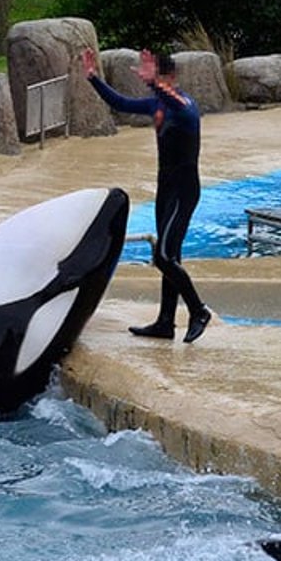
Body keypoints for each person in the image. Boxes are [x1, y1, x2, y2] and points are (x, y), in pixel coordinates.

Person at [83, 47, 212, 343]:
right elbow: (120, 102)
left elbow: (177, 102)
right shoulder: (156, 105)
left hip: (184, 190)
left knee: (164, 257)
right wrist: (93, 78)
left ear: (171, 77)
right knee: (172, 255)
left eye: (161, 78)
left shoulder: (185, 105)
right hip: (165, 190)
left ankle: (198, 310)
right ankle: (166, 323)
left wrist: (155, 83)